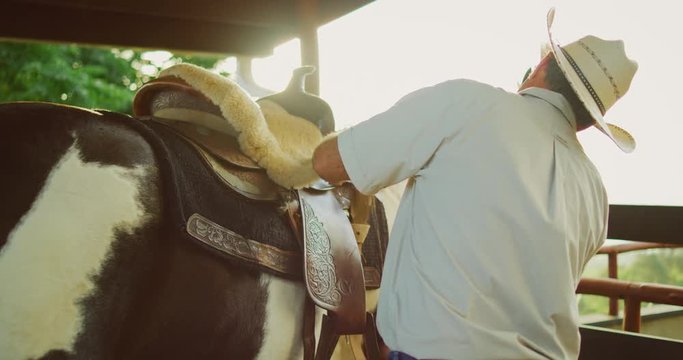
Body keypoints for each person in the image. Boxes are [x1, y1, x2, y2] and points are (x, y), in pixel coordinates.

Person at [311, 8, 638, 360]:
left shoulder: (466, 104)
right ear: (590, 122)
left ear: (542, 65)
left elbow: (327, 163)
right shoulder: (594, 190)